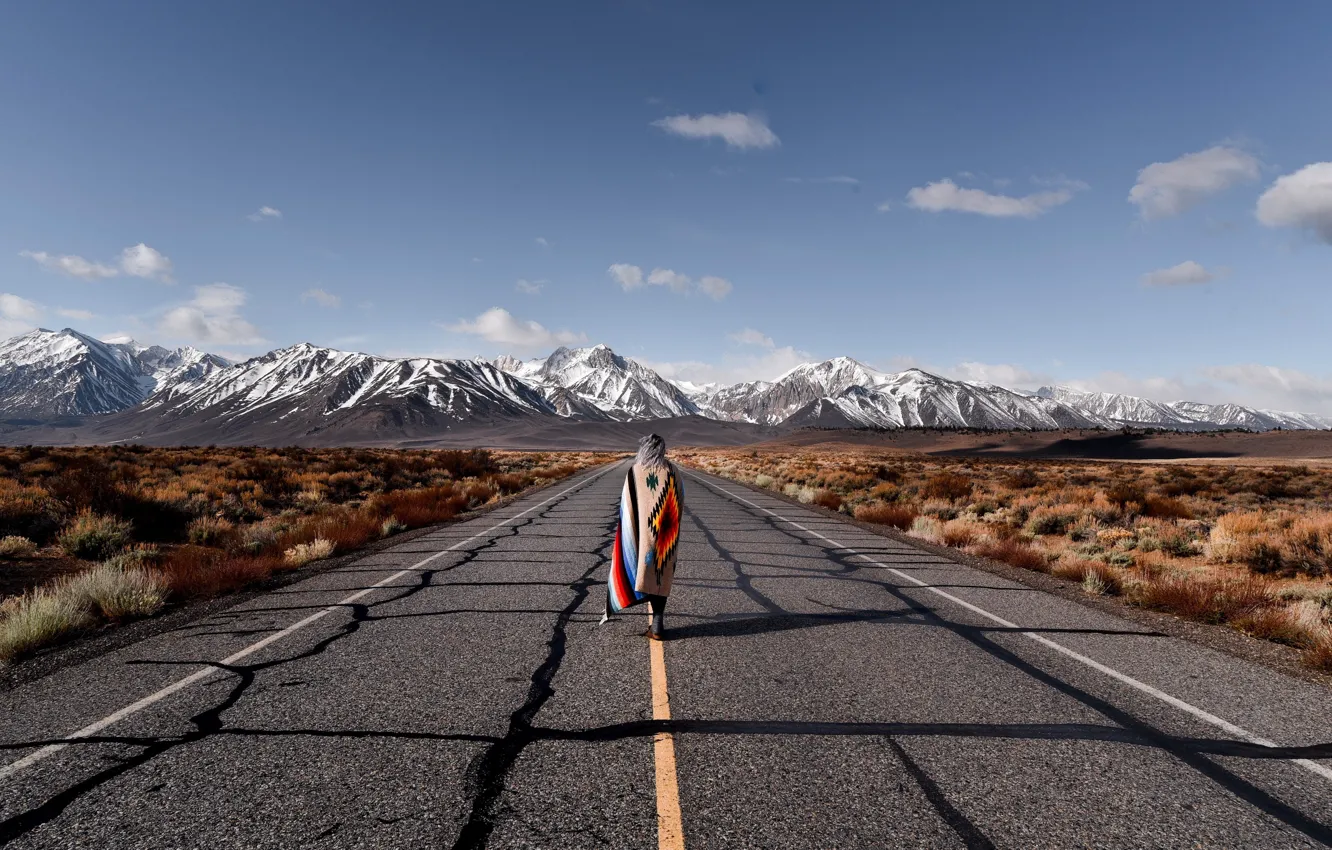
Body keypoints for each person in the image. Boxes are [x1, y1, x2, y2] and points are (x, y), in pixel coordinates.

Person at [603, 433, 683, 640]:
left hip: (641, 535)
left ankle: (656, 627)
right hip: (666, 535)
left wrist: (631, 530)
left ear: (644, 449)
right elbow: (680, 500)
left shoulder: (635, 471)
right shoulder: (673, 471)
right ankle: (657, 624)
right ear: (662, 449)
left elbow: (626, 505)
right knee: (661, 574)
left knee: (643, 571)